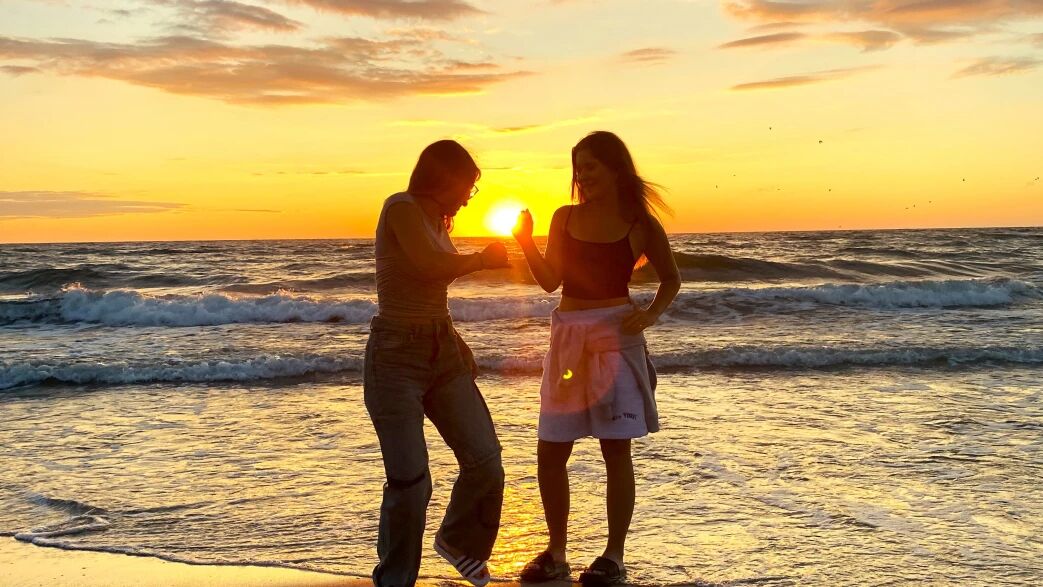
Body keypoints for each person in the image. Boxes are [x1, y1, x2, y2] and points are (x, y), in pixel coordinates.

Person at [511, 131, 681, 586]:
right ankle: (556, 551)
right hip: (568, 338)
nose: (582, 176)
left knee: (615, 449)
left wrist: (650, 315)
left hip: (616, 341)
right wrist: (525, 241)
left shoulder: (639, 224)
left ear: (616, 169)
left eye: (591, 166)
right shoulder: (564, 217)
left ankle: (613, 556)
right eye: (578, 168)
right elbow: (550, 280)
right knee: (551, 448)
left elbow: (671, 279)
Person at [364, 140, 510, 587]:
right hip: (394, 358)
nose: (468, 197)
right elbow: (428, 266)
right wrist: (481, 260)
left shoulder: (437, 221)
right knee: (411, 482)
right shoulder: (401, 207)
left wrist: (455, 341)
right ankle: (395, 580)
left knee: (486, 461)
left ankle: (459, 542)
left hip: (442, 351)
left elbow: (433, 294)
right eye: (467, 186)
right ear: (443, 178)